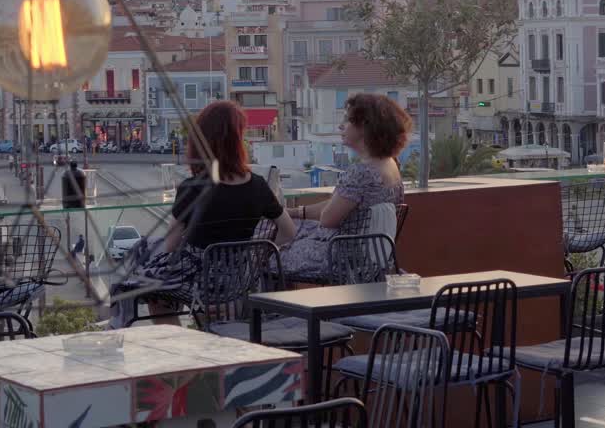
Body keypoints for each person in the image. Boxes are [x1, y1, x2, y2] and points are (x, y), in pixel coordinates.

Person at [112, 100, 297, 326]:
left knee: (147, 285)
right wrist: (253, 257)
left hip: (200, 278)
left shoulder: (193, 187)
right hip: (236, 279)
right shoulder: (258, 186)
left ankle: (176, 345)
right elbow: (288, 231)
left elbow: (171, 245)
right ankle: (204, 327)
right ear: (238, 141)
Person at [280, 93, 409, 279]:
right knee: (290, 230)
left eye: (347, 121)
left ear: (364, 127)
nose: (341, 126)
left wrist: (290, 216)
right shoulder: (390, 165)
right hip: (368, 259)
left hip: (339, 258)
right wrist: (295, 212)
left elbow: (328, 219)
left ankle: (268, 306)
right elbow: (342, 204)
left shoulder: (361, 172)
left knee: (266, 253)